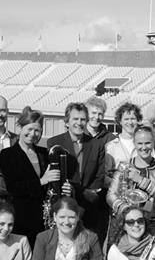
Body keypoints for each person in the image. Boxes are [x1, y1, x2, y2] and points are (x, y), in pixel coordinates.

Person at [107, 127, 155, 252]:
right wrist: (125, 209)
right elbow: (111, 195)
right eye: (140, 143)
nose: (144, 147)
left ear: (154, 143)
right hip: (130, 223)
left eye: (148, 143)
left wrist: (141, 180)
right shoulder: (124, 166)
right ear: (134, 144)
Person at [46, 102, 108, 241]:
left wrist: (77, 191)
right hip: (63, 208)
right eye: (75, 119)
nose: (79, 123)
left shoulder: (96, 145)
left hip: (87, 208)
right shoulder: (54, 143)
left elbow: (98, 179)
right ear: (67, 122)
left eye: (82, 119)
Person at [0, 106, 55, 245]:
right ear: (20, 128)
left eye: (37, 130)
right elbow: (13, 188)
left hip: (44, 219)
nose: (33, 133)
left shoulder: (44, 153)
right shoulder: (8, 155)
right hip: (21, 217)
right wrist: (41, 181)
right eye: (29, 129)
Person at [104, 102, 143, 189]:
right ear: (120, 121)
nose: (130, 122)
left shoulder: (145, 146)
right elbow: (104, 176)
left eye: (133, 118)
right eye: (126, 119)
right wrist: (119, 185)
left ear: (138, 121)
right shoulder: (110, 147)